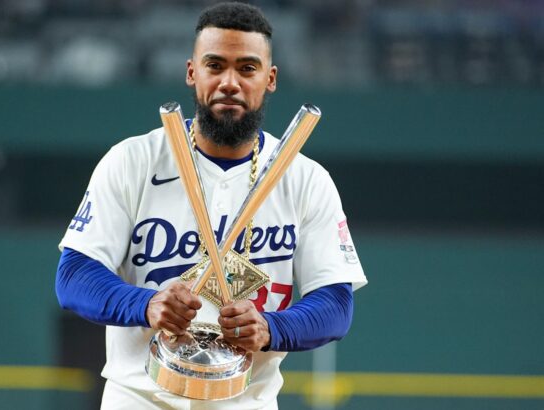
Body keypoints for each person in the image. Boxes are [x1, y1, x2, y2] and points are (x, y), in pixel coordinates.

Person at [55, 2, 367, 409]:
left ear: (270, 78)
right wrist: (145, 304)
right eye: (215, 65)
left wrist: (271, 328)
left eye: (247, 68)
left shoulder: (305, 179)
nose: (229, 82)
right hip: (140, 397)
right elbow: (74, 276)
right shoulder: (133, 161)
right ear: (192, 72)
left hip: (247, 400)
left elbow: (336, 304)